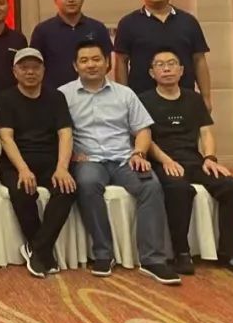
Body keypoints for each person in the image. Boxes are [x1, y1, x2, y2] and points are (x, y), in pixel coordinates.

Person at [60, 41, 180, 285]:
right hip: (89, 159)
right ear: (75, 65)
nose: (91, 65)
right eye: (84, 60)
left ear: (107, 62)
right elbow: (57, 132)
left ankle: (153, 259)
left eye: (96, 59)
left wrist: (139, 154)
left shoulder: (125, 94)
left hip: (125, 158)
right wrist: (70, 155)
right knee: (87, 184)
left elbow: (143, 130)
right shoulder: (63, 95)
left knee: (150, 186)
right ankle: (103, 254)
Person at [141, 50, 233, 276]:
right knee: (178, 189)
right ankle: (182, 253)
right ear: (152, 72)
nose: (166, 69)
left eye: (172, 64)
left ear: (182, 71)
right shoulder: (144, 100)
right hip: (163, 161)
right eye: (160, 65)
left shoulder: (193, 99)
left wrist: (210, 158)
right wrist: (166, 160)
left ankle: (229, 254)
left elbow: (206, 132)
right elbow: (145, 137)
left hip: (194, 160)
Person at [0, 47, 78, 278]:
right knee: (22, 190)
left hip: (51, 161)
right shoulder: (5, 98)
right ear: (15, 71)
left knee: (68, 189)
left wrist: (62, 167)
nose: (30, 72)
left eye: (35, 67)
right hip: (16, 162)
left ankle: (38, 248)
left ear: (43, 70)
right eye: (24, 68)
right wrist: (23, 169)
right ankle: (42, 251)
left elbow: (65, 134)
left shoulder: (56, 97)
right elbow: (6, 138)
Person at [115, 0, 212, 106]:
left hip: (184, 99)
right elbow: (121, 62)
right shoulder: (128, 23)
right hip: (142, 101)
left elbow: (199, 60)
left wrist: (206, 97)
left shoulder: (188, 21)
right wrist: (123, 100)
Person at [29, 0, 113, 90]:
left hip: (92, 92)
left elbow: (107, 63)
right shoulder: (42, 30)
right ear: (55, 0)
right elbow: (35, 65)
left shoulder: (97, 27)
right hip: (53, 94)